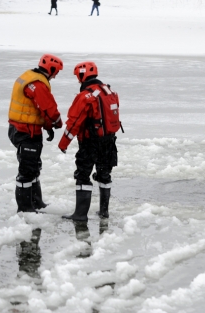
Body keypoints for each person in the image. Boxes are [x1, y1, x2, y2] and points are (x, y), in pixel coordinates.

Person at [59, 61, 121, 222]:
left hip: (90, 142)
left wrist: (63, 143)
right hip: (109, 141)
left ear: (82, 75)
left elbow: (74, 122)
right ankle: (104, 211)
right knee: (104, 174)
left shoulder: (86, 96)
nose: (78, 81)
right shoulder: (109, 91)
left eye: (78, 77)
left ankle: (80, 214)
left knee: (83, 175)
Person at [8, 54, 64, 212]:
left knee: (33, 166)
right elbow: (48, 108)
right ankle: (25, 209)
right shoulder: (37, 84)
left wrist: (47, 127)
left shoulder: (28, 76)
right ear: (51, 69)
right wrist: (56, 124)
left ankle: (37, 202)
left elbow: (37, 109)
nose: (56, 75)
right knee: (27, 170)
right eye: (56, 72)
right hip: (26, 131)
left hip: (20, 129)